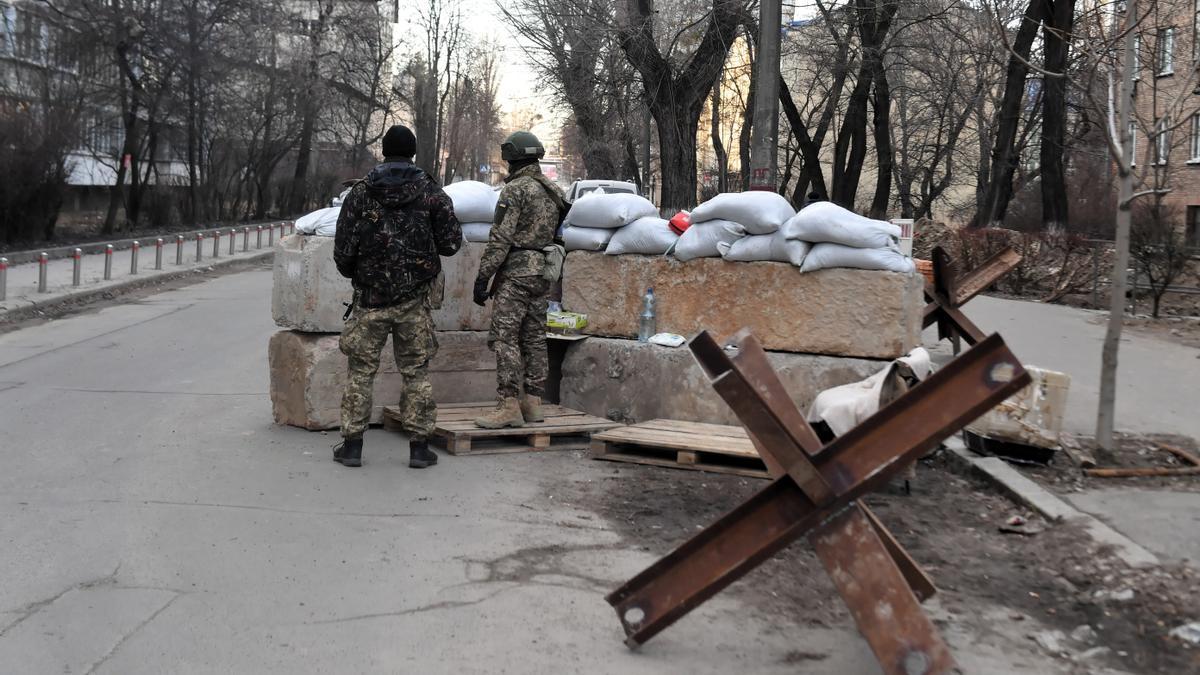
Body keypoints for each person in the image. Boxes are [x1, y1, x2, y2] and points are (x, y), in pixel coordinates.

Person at [332, 124, 462, 468]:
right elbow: (451, 243)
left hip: (370, 299)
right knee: (416, 373)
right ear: (413, 152)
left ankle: (352, 446)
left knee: (360, 372)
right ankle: (419, 448)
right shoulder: (432, 192)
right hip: (414, 301)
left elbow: (343, 249)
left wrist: (360, 274)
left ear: (384, 151)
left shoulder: (360, 193)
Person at [472, 131, 566, 429]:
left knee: (505, 337)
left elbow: (500, 238)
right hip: (543, 271)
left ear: (511, 156)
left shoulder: (516, 190)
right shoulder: (553, 189)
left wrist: (483, 277)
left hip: (516, 273)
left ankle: (508, 404)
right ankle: (533, 403)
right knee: (535, 337)